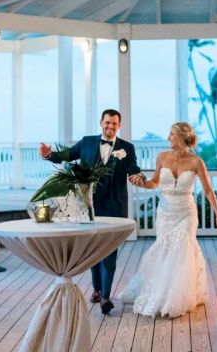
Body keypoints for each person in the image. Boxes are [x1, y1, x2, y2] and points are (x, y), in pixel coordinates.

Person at [39, 109, 144, 314]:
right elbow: (67, 155)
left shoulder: (127, 148)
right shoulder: (87, 142)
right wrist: (49, 154)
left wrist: (135, 176)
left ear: (119, 125)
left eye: (114, 124)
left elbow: (132, 168)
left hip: (115, 206)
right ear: (101, 123)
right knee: (93, 249)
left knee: (110, 252)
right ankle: (96, 289)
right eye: (107, 123)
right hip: (89, 205)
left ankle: (105, 296)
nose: (110, 127)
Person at [119, 122, 217, 317]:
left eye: (172, 135)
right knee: (166, 250)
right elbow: (154, 183)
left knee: (183, 249)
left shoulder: (196, 162)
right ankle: (162, 291)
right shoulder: (162, 157)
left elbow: (209, 190)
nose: (168, 138)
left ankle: (177, 298)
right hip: (165, 213)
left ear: (181, 137)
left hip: (187, 212)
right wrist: (141, 183)